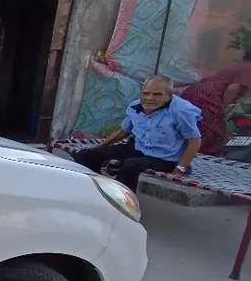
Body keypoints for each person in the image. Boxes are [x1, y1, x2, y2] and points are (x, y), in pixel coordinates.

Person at [73, 75, 202, 191]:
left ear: (169, 95)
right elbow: (123, 131)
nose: (149, 98)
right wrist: (100, 146)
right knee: (85, 155)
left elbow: (195, 141)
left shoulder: (182, 111)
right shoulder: (136, 106)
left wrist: (181, 168)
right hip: (138, 148)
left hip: (165, 158)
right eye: (146, 93)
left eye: (157, 94)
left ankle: (121, 204)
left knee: (131, 166)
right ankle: (94, 191)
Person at [181, 48, 251, 155]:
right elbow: (233, 88)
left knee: (196, 124)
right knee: (212, 128)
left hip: (197, 90)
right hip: (208, 95)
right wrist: (223, 106)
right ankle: (199, 156)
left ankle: (190, 152)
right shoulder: (248, 68)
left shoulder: (241, 65)